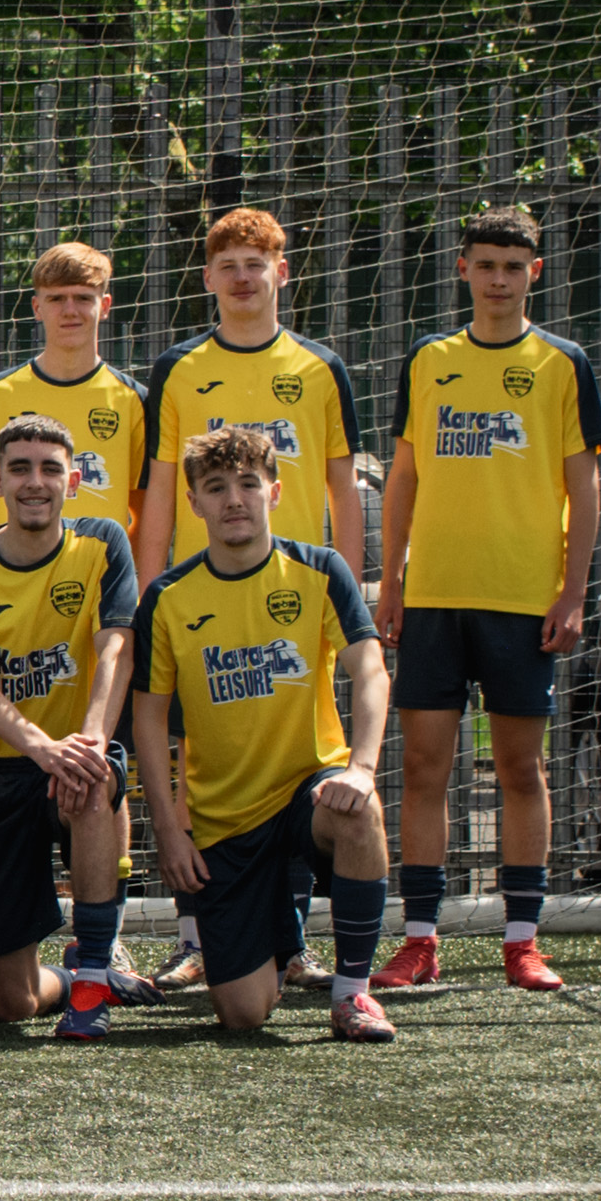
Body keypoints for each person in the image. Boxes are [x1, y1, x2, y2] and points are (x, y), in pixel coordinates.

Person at [373, 206, 601, 995]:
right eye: (486, 264)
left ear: (533, 271)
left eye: (514, 265)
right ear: (463, 269)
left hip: (521, 599)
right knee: (428, 770)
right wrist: (396, 581)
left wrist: (573, 592)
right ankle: (418, 940)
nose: (499, 278)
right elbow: (402, 476)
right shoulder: (430, 357)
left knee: (518, 767)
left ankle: (522, 941)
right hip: (436, 595)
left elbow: (584, 480)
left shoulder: (562, 363)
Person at [134, 206, 363, 992]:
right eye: (227, 264)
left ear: (281, 274)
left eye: (255, 264)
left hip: (296, 596)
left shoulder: (318, 368)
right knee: (201, 756)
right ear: (209, 279)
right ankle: (199, 936)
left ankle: (293, 944)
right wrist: (144, 589)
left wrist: (352, 589)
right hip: (201, 599)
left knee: (297, 747)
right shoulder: (181, 368)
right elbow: (159, 490)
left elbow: (342, 485)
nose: (241, 277)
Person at [132, 424, 397, 1042]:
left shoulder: (320, 570)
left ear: (274, 492)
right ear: (193, 502)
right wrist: (170, 832)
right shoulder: (169, 597)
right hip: (226, 818)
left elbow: (368, 669)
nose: (233, 500)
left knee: (359, 814)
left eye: (248, 484)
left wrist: (360, 768)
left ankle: (352, 995)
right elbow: (148, 718)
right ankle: (280, 934)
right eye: (216, 487)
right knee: (244, 1014)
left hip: (310, 788)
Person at [0, 414, 154, 1040]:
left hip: (76, 754)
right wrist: (43, 748)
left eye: (51, 468)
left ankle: (91, 982)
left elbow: (116, 650)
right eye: (20, 469)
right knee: (11, 1003)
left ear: (73, 481)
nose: (36, 482)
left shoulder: (104, 542)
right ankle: (76, 975)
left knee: (92, 786)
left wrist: (86, 742)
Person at [0, 242, 145, 533]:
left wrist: (121, 571)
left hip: (96, 575)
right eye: (56, 299)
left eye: (82, 298)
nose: (69, 310)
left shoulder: (131, 400)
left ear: (104, 307)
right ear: (37, 307)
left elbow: (143, 512)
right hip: (11, 574)